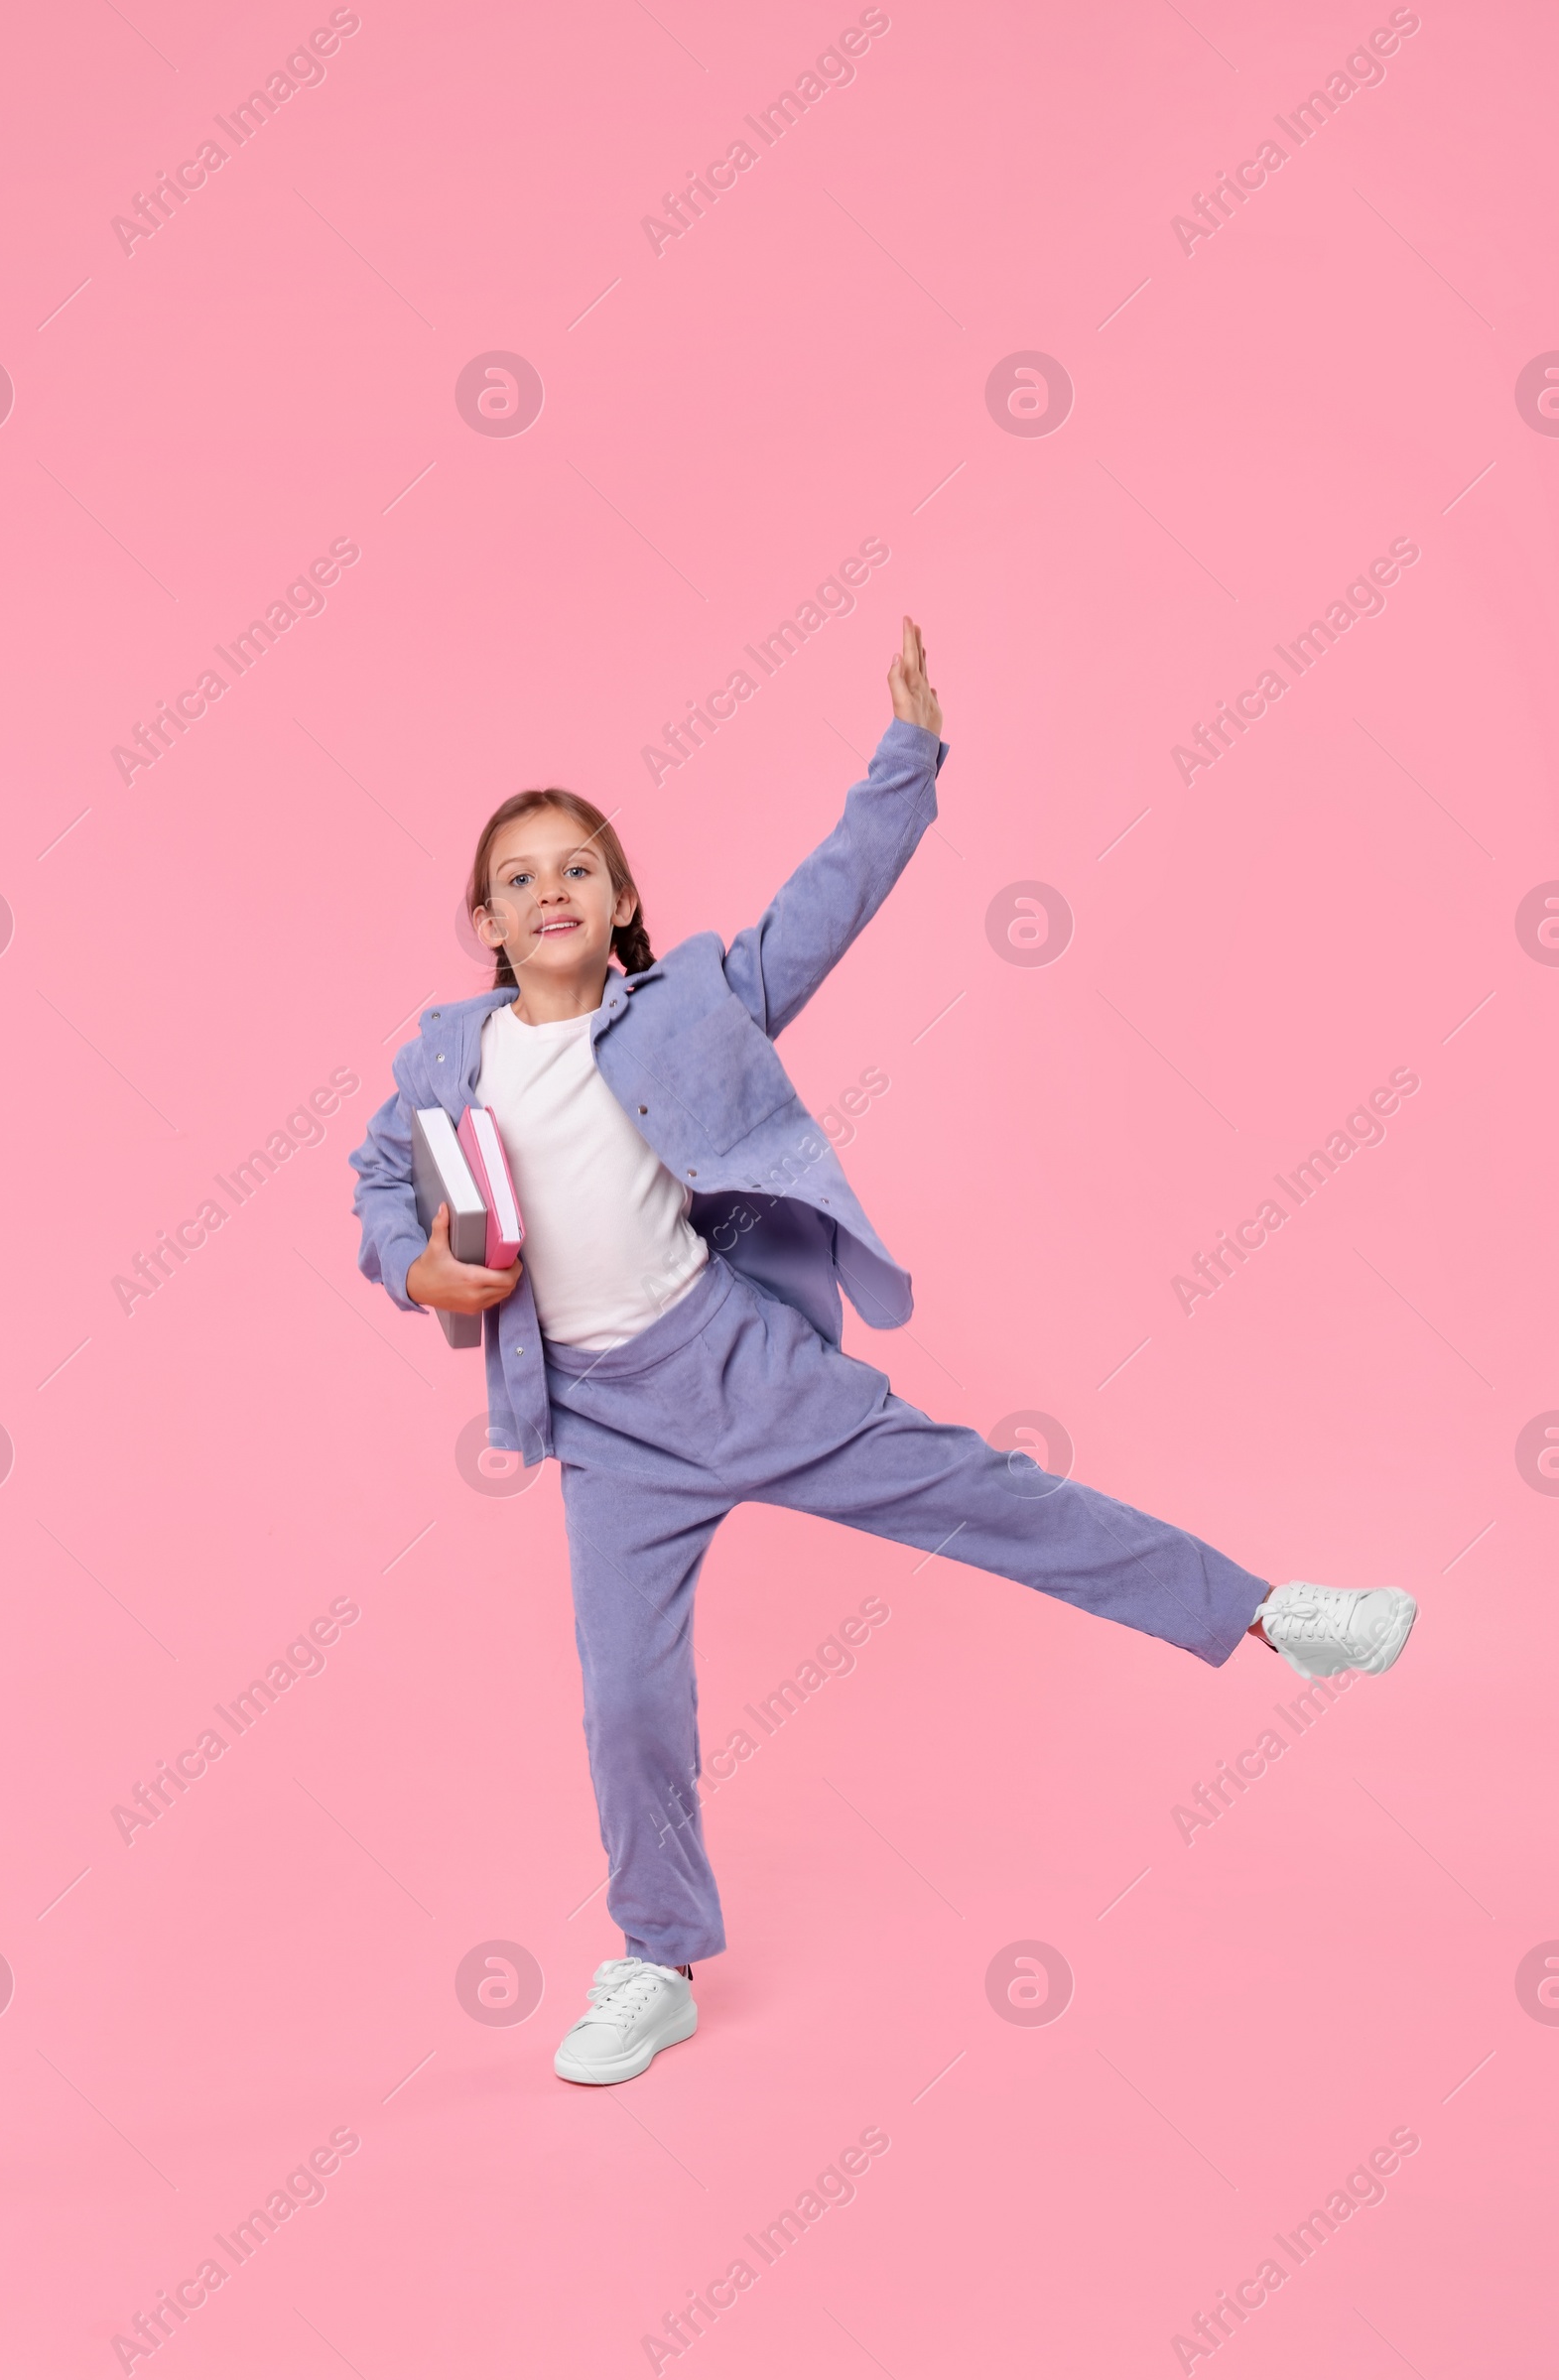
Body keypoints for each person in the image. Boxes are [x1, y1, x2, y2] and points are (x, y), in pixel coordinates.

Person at [349, 620, 1416, 2087]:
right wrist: (415, 1267)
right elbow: (375, 1181)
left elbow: (819, 912)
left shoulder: (696, 1003)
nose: (549, 890)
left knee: (1004, 1502)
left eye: (576, 867)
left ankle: (1271, 1614)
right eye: (518, 874)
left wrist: (905, 761)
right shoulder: (441, 1056)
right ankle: (653, 1960)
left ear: (622, 902)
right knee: (630, 1697)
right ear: (482, 915)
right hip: (603, 1429)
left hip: (743, 1369)